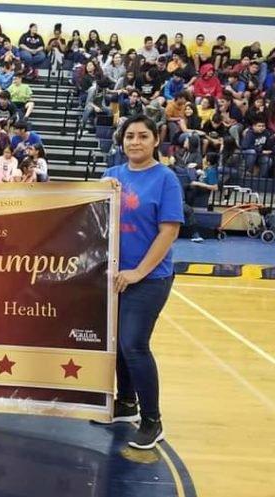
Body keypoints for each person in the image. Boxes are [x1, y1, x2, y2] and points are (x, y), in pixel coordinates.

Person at [98, 115, 183, 450]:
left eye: (142, 136)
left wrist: (139, 272)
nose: (135, 142)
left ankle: (152, 420)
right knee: (118, 341)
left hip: (150, 278)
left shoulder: (166, 179)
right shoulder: (111, 176)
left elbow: (170, 231)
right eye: (129, 136)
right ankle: (127, 403)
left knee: (134, 344)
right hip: (115, 276)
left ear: (155, 140)